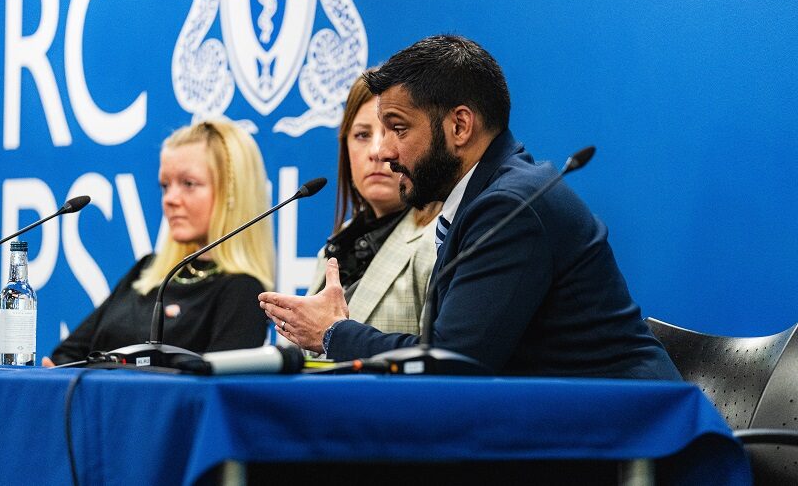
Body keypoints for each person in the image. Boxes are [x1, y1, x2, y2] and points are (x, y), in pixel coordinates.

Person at [259, 35, 681, 379]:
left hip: (626, 440)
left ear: (459, 126)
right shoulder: (484, 198)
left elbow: (451, 363)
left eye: (398, 129)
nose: (384, 152)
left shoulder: (511, 207)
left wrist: (334, 333)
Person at [46, 120, 276, 366]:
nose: (170, 199)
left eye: (188, 184)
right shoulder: (147, 270)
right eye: (165, 186)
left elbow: (215, 391)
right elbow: (64, 357)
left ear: (233, 192)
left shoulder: (242, 291)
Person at [303, 75, 438, 340]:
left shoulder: (438, 239)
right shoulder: (339, 243)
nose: (377, 151)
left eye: (395, 130)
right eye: (362, 135)